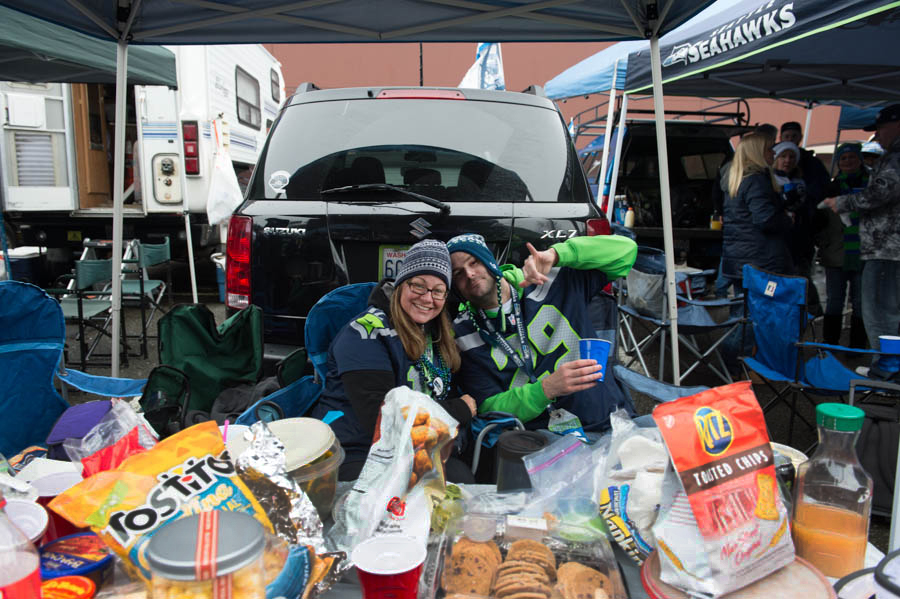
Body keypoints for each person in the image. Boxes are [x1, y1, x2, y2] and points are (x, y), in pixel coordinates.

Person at [312, 239, 477, 481]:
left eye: (438, 290)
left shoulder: (434, 332)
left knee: (460, 481)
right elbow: (380, 420)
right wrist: (458, 410)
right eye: (418, 286)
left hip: (413, 445)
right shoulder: (365, 333)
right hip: (357, 449)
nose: (427, 298)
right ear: (401, 284)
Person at [446, 232, 637, 437]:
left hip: (609, 422)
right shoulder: (463, 334)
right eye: (458, 273)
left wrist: (558, 254)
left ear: (490, 261)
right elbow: (488, 407)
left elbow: (626, 252)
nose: (469, 274)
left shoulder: (552, 279)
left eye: (474, 262)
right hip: (544, 443)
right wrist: (545, 390)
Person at [824, 104, 900, 377]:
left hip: (886, 249)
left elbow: (882, 192)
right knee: (883, 309)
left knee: (880, 311)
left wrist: (843, 202)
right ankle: (888, 366)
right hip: (883, 249)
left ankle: (887, 369)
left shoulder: (894, 159)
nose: (877, 136)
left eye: (880, 129)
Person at [721, 132, 794, 287]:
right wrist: (787, 219)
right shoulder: (756, 181)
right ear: (757, 152)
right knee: (764, 307)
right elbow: (765, 219)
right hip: (761, 259)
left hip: (739, 258)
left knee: (744, 306)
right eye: (769, 149)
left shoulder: (736, 180)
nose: (774, 153)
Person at [817, 143, 868, 347]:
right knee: (835, 301)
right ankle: (830, 344)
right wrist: (823, 243)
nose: (848, 162)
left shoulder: (871, 185)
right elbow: (819, 219)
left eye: (852, 158)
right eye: (843, 158)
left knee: (860, 302)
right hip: (835, 251)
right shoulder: (831, 187)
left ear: (860, 160)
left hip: (864, 252)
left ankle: (856, 346)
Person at [772, 140, 822, 315]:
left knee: (802, 278)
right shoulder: (769, 180)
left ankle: (810, 315)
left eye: (791, 157)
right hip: (779, 240)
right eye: (783, 156)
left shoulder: (802, 182)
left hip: (800, 241)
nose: (787, 160)